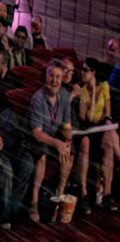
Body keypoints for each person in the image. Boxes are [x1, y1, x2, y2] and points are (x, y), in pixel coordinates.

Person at [26, 59, 75, 222]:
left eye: (58, 77)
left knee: (70, 150)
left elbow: (66, 126)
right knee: (42, 154)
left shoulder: (65, 97)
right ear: (46, 77)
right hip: (37, 140)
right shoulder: (38, 98)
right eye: (51, 75)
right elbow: (37, 134)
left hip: (54, 138)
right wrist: (58, 143)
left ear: (62, 79)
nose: (54, 80)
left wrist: (67, 138)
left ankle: (60, 194)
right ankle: (33, 202)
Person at [72, 64, 114, 210]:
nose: (81, 73)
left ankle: (107, 194)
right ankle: (83, 193)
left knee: (109, 143)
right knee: (86, 143)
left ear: (93, 72)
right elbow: (87, 118)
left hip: (101, 126)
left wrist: (107, 123)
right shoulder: (83, 91)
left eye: (85, 70)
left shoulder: (104, 86)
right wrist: (94, 93)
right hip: (87, 128)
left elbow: (107, 113)